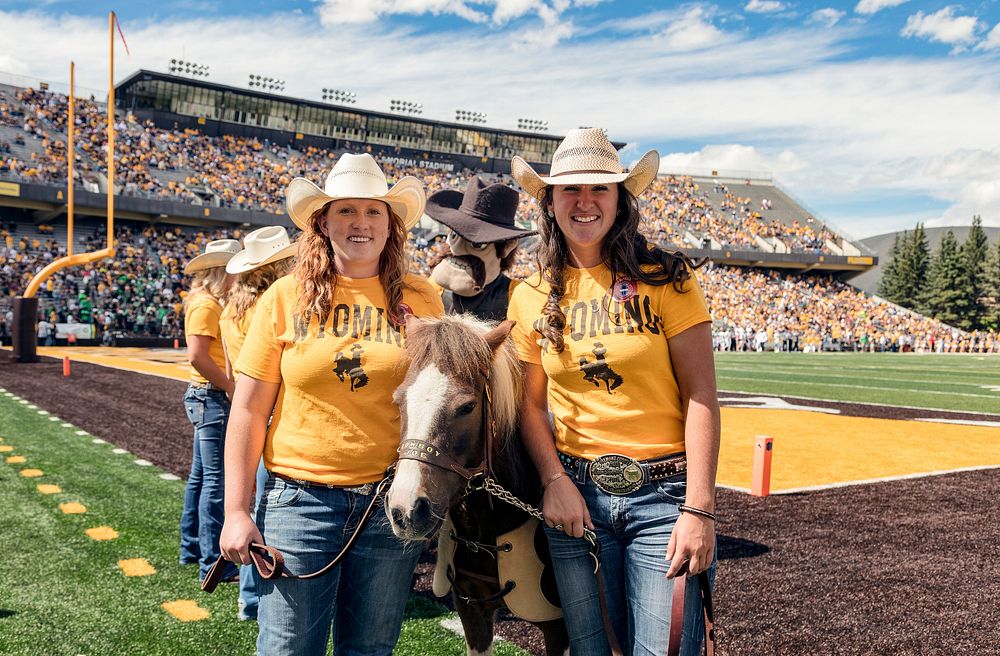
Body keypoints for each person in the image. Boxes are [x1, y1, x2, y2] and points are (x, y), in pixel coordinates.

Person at [219, 153, 444, 655]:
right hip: (299, 501)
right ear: (322, 221)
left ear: (392, 226)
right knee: (287, 648)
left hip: (389, 503)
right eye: (346, 210)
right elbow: (250, 410)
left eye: (373, 212)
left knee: (369, 649)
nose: (360, 223)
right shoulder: (283, 296)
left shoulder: (423, 296)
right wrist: (236, 510)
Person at [507, 128, 720, 655]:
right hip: (575, 497)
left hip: (664, 498)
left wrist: (700, 509)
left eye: (599, 189)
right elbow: (530, 406)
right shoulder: (528, 294)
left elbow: (701, 397)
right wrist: (553, 479)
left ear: (621, 199)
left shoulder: (667, 278)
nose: (584, 202)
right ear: (549, 202)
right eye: (570, 190)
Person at [219, 225, 298, 622]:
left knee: (251, 504)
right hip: (274, 414)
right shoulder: (273, 303)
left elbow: (234, 372)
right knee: (267, 511)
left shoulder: (229, 307)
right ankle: (255, 596)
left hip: (243, 405)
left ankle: (246, 597)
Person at [179, 238, 240, 584]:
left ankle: (191, 549)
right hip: (211, 397)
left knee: (201, 478)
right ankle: (213, 562)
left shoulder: (204, 301)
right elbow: (197, 356)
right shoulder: (207, 306)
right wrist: (229, 385)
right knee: (215, 482)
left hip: (204, 397)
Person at [424, 176, 536, 320]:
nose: (457, 249)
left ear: (507, 246)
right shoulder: (433, 289)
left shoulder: (516, 298)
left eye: (476, 244)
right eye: (454, 236)